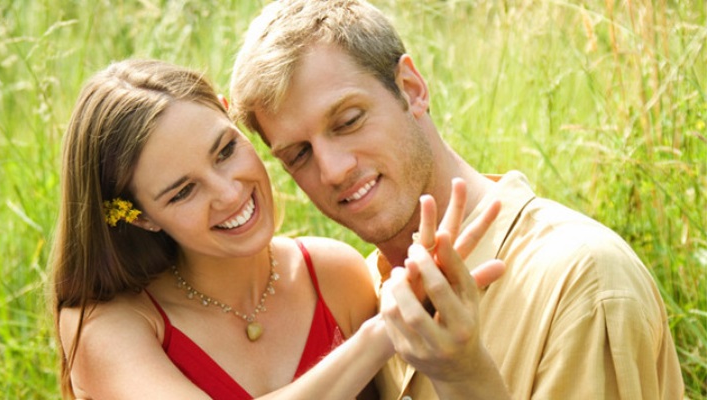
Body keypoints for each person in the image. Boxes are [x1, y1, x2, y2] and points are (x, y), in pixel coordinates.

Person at [228, 0, 685, 398]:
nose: (333, 169)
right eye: (298, 154)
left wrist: (465, 379)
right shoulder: (360, 297)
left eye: (348, 120)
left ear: (411, 88)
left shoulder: (581, 279)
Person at [51, 58, 505, 400]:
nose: (230, 195)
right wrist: (384, 333)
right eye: (183, 191)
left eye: (225, 150)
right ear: (140, 215)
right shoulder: (109, 327)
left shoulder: (335, 274)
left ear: (233, 119)